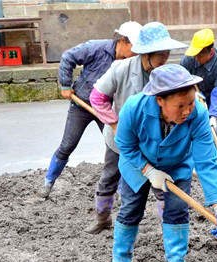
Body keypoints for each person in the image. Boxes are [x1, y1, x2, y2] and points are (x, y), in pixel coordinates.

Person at [107, 64, 217, 262]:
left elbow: (206, 161)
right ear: (160, 100)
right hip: (137, 163)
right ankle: (120, 260)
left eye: (191, 103)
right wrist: (149, 171)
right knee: (131, 209)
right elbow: (125, 145)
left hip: (176, 165)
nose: (187, 111)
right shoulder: (134, 108)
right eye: (180, 106)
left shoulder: (198, 114)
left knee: (176, 210)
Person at [86, 22, 186, 234]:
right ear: (147, 53)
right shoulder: (120, 69)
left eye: (168, 54)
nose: (165, 60)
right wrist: (114, 124)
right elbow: (97, 97)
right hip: (122, 141)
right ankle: (103, 218)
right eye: (162, 55)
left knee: (163, 184)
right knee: (110, 177)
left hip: (156, 141)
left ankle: (170, 227)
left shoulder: (169, 75)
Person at [37, 21, 142, 199]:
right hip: (81, 106)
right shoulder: (96, 48)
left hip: (107, 110)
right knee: (67, 145)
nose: (137, 52)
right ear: (123, 40)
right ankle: (48, 182)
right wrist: (65, 84)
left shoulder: (133, 62)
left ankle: (124, 190)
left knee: (119, 146)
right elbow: (67, 57)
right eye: (135, 46)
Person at [180, 28, 217, 154]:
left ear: (210, 51)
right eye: (195, 54)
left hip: (213, 98)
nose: (196, 58)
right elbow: (180, 83)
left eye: (200, 55)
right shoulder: (188, 60)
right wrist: (191, 95)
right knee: (190, 130)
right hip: (192, 97)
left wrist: (214, 116)